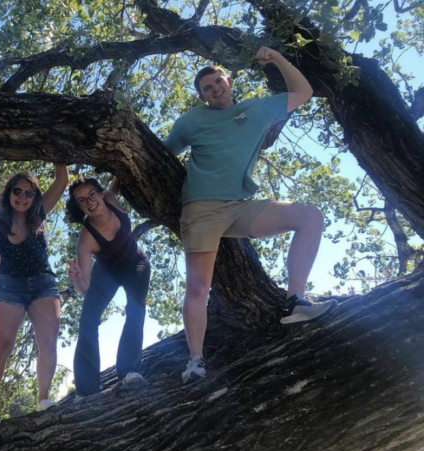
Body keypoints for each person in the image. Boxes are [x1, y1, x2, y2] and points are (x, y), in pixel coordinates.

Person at [163, 47, 337, 384]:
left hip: (242, 205)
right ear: (202, 97)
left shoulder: (257, 109)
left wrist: (277, 58)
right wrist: (111, 191)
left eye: (217, 82)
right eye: (207, 89)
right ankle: (195, 361)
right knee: (199, 288)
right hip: (202, 208)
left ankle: (294, 302)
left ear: (228, 80)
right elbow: (159, 152)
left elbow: (303, 92)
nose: (215, 89)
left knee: (310, 217)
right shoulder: (192, 121)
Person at [0, 164, 69, 428]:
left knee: (48, 342)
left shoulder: (39, 215)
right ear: (9, 194)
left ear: (35, 197)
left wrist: (54, 146)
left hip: (43, 283)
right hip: (8, 286)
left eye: (29, 193)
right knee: (1, 346)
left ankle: (43, 399)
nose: (23, 197)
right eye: (18, 192)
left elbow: (62, 179)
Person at [67, 177, 151, 397]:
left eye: (92, 194)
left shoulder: (112, 199)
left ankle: (129, 371)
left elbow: (115, 184)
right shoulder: (86, 239)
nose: (89, 202)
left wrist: (119, 169)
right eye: (82, 200)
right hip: (107, 272)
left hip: (136, 263)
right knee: (87, 321)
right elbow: (84, 287)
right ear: (79, 206)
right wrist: (77, 279)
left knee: (135, 309)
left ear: (100, 193)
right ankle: (86, 389)